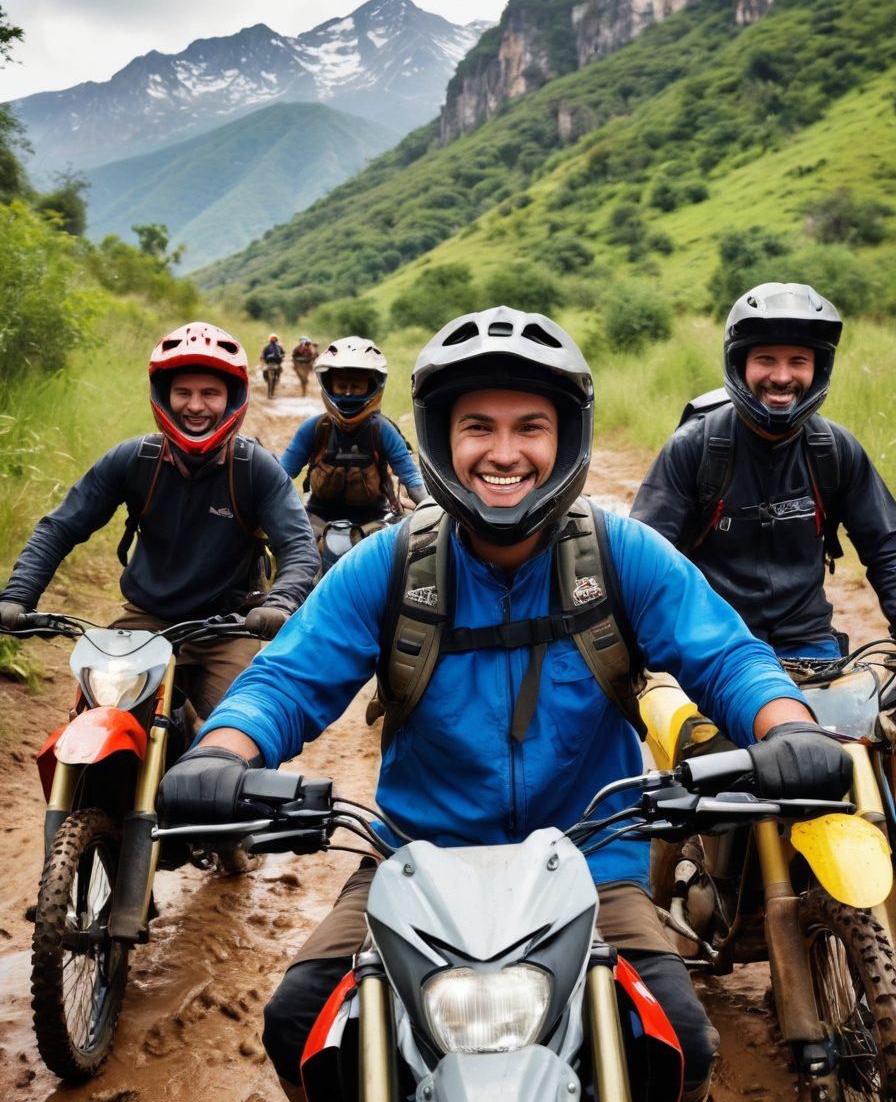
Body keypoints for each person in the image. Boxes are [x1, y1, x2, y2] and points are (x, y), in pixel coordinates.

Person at [158, 306, 851, 1102]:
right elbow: (287, 679)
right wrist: (221, 751)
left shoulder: (621, 551)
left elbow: (726, 655)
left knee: (682, 1043)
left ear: (567, 439)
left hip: (594, 860)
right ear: (441, 438)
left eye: (531, 426)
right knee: (300, 1022)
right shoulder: (391, 563)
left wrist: (788, 728)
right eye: (477, 426)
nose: (504, 451)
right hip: (414, 858)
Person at [0, 322, 320, 728]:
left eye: (210, 393)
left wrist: (278, 604)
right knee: (95, 717)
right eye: (183, 392)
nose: (196, 406)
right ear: (165, 398)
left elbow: (299, 546)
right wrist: (18, 596)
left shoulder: (256, 469)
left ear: (232, 398)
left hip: (229, 626)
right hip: (145, 620)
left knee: (244, 731)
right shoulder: (134, 459)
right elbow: (60, 528)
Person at [631, 282, 896, 661]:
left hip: (809, 641)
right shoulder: (695, 446)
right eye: (766, 359)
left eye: (798, 361)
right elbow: (645, 559)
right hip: (715, 639)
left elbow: (887, 546)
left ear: (817, 369)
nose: (782, 376)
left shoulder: (834, 448)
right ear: (740, 365)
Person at [279, 336, 426, 540]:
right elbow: (281, 475)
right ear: (329, 385)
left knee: (398, 565)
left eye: (356, 386)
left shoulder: (383, 430)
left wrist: (432, 513)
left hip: (373, 522)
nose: (348, 393)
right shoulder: (314, 428)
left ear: (372, 387)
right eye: (341, 385)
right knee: (298, 563)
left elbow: (412, 479)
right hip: (317, 521)